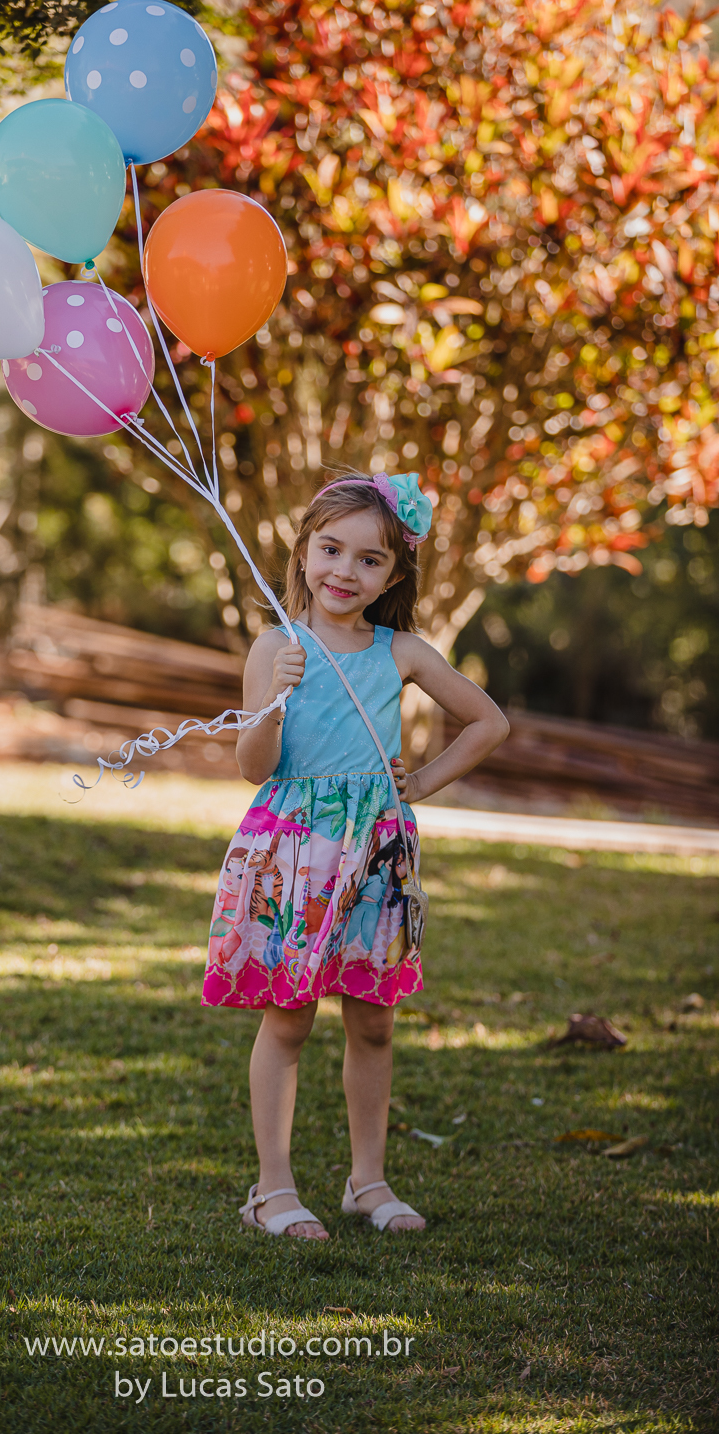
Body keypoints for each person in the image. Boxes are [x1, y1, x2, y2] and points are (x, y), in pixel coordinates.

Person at [201, 470, 508, 1239]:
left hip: (375, 851)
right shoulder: (276, 645)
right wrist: (275, 694)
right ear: (304, 549)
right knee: (291, 1019)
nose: (345, 571)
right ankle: (272, 1188)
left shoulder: (399, 650)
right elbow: (252, 764)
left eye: (370, 560)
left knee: (374, 1021)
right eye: (331, 549)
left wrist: (419, 786)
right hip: (295, 851)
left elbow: (488, 723)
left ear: (395, 574)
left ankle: (366, 1182)